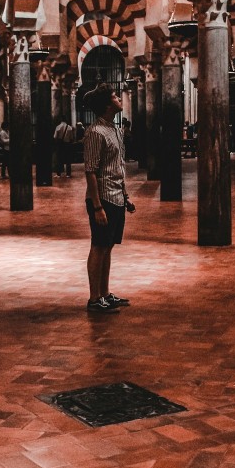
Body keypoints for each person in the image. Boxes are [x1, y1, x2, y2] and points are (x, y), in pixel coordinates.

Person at [82, 84, 135, 314]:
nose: (118, 98)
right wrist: (97, 207)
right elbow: (91, 171)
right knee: (99, 246)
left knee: (108, 247)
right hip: (102, 198)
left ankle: (104, 293)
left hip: (116, 196)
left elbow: (117, 167)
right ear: (106, 105)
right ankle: (94, 299)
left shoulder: (115, 129)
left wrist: (125, 196)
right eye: (114, 96)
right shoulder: (95, 132)